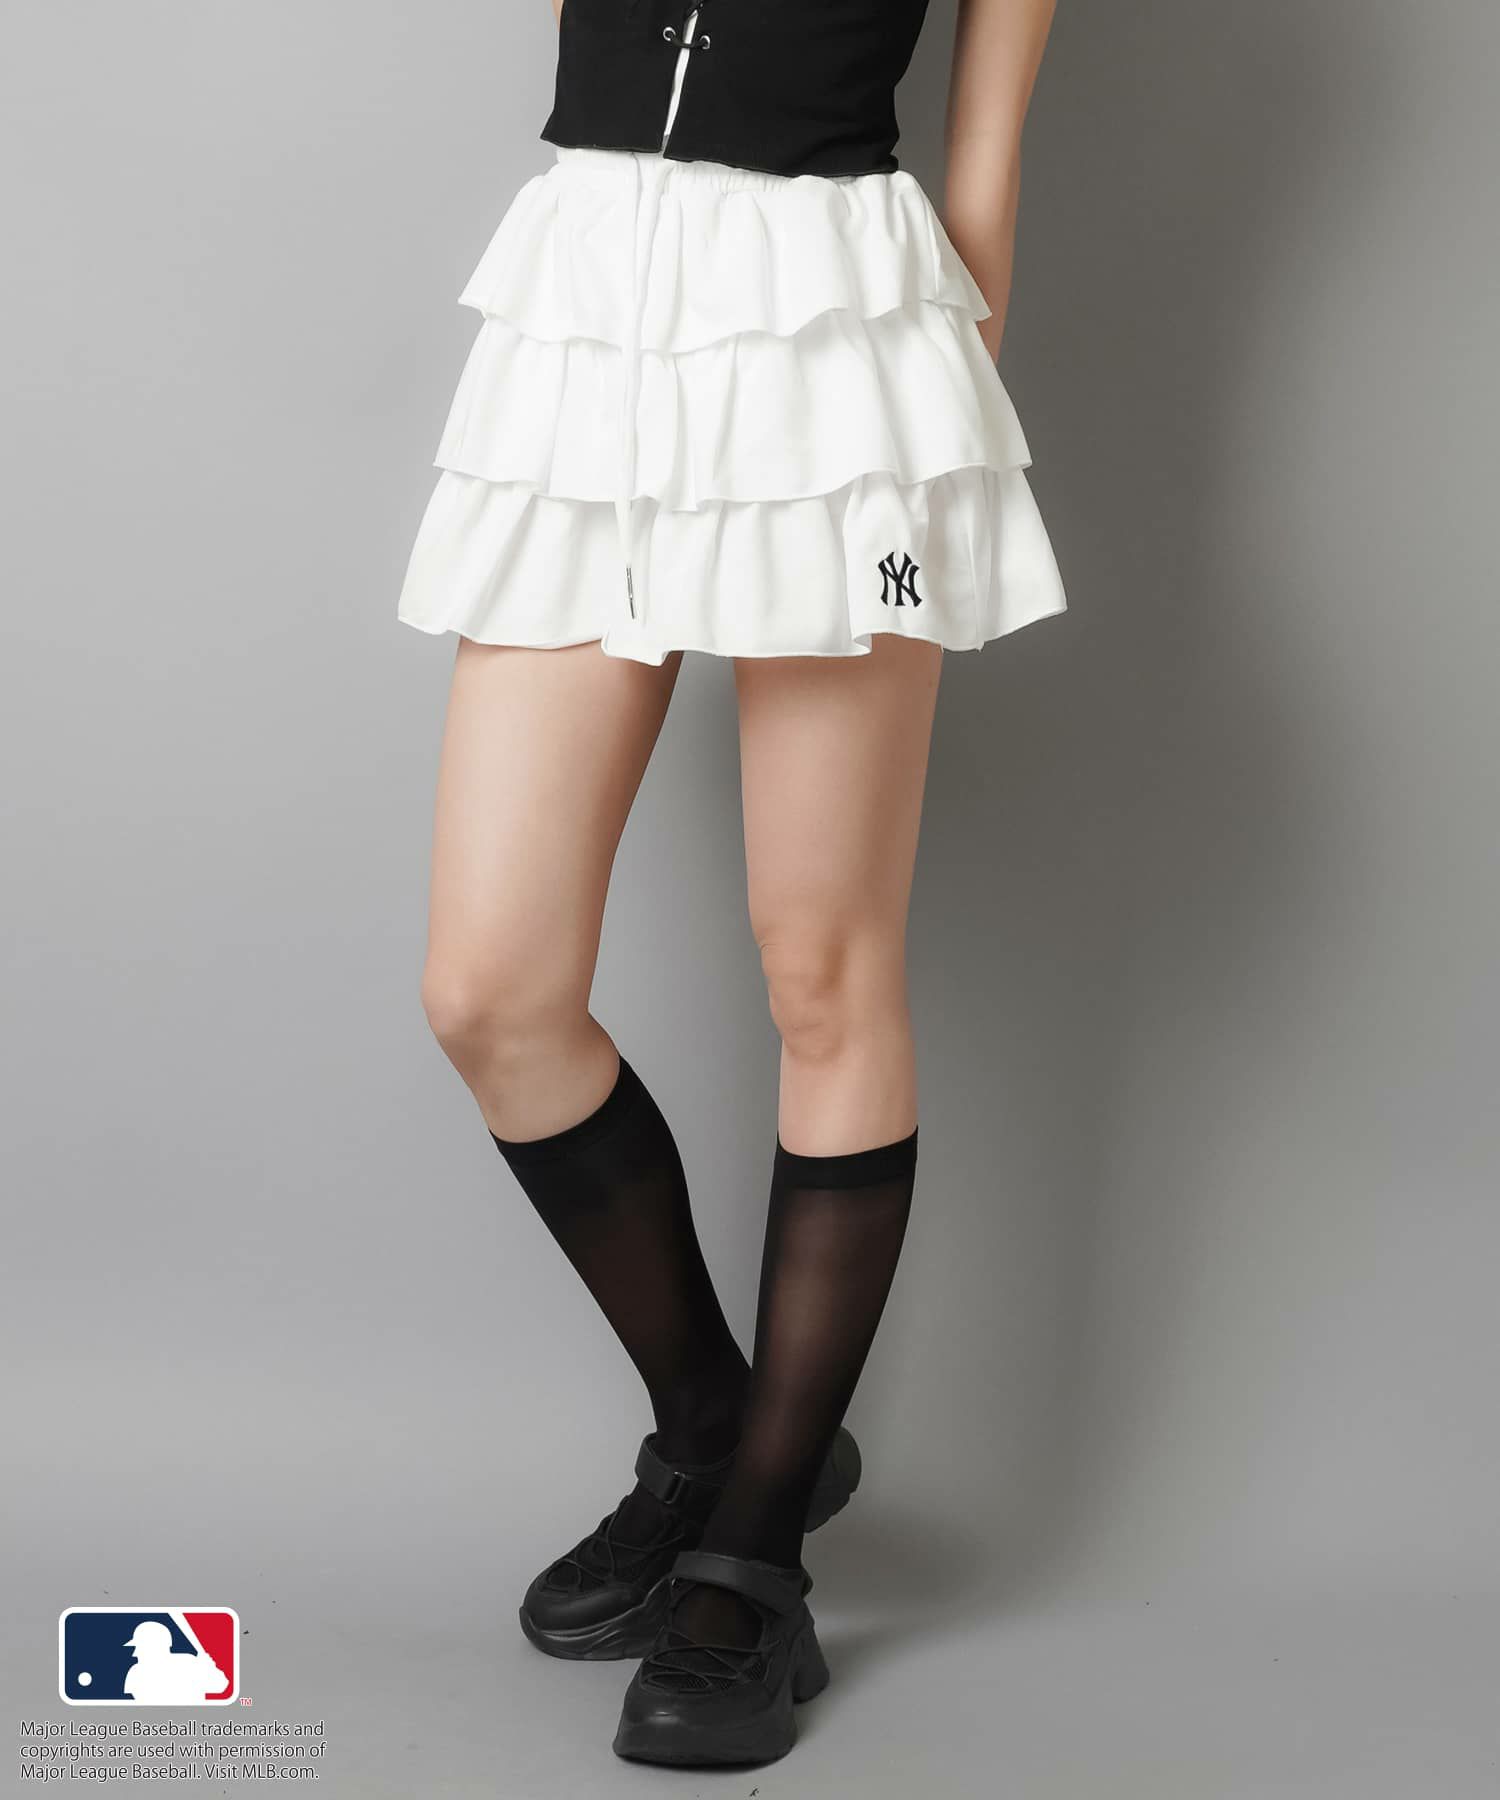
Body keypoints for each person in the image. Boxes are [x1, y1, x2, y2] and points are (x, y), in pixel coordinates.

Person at [398, 0, 1063, 1768]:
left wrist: (938, 399)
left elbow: (983, 157)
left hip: (840, 329)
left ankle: (756, 1550)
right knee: (491, 989)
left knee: (823, 962)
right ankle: (719, 1426)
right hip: (590, 302)